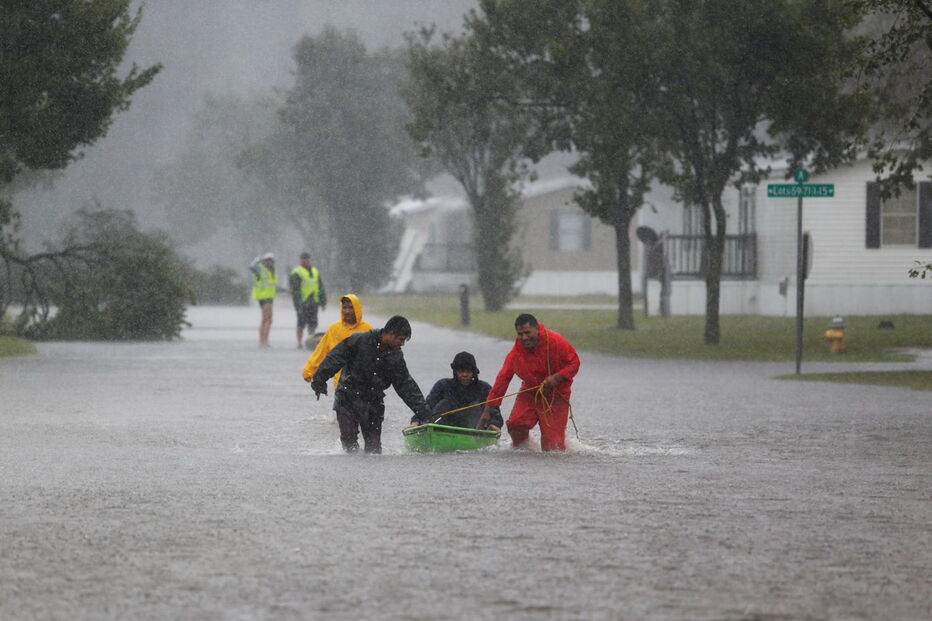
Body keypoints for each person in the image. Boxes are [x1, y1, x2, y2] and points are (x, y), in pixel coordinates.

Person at [311, 315, 431, 453]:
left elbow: (406, 385)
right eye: (401, 340)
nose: (402, 344)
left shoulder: (396, 356)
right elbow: (335, 358)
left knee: (374, 450)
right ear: (391, 334)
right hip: (347, 398)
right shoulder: (359, 340)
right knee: (349, 443)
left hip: (373, 402)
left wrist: (423, 413)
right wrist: (319, 381)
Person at [478, 313, 580, 451]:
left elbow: (574, 362)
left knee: (553, 448)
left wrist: (557, 377)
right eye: (520, 334)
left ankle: (558, 442)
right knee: (515, 424)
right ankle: (526, 452)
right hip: (530, 392)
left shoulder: (555, 341)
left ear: (537, 329)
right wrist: (488, 409)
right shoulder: (515, 353)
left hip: (557, 396)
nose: (524, 338)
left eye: (527, 332)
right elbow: (502, 379)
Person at [302, 294, 373, 391]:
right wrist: (309, 370)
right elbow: (321, 350)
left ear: (357, 309)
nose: (347, 311)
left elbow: (376, 355)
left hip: (362, 381)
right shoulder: (334, 329)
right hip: (340, 381)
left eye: (351, 308)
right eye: (345, 308)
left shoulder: (368, 329)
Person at [420, 351, 503, 431]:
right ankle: (435, 429)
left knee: (476, 406)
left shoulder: (484, 388)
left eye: (468, 371)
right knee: (444, 403)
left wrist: (494, 424)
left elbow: (495, 412)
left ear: (473, 373)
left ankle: (473, 434)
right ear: (455, 372)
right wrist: (416, 421)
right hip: (444, 426)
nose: (465, 375)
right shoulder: (442, 385)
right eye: (461, 371)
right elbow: (428, 406)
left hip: (474, 429)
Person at [289, 252, 326, 349]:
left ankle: (311, 340)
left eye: (307, 259)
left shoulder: (315, 271)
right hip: (303, 303)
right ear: (300, 260)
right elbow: (295, 291)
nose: (306, 261)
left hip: (314, 302)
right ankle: (299, 342)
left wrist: (323, 301)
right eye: (304, 259)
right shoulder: (296, 272)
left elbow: (320, 287)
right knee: (301, 323)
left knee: (313, 323)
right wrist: (297, 306)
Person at [249, 252, 277, 348]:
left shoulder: (271, 272)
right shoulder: (261, 270)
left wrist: (286, 291)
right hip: (264, 298)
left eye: (271, 260)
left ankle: (264, 340)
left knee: (268, 320)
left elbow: (273, 287)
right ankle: (263, 341)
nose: (270, 262)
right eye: (268, 260)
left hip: (269, 297)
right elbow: (252, 267)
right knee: (266, 320)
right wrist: (258, 260)